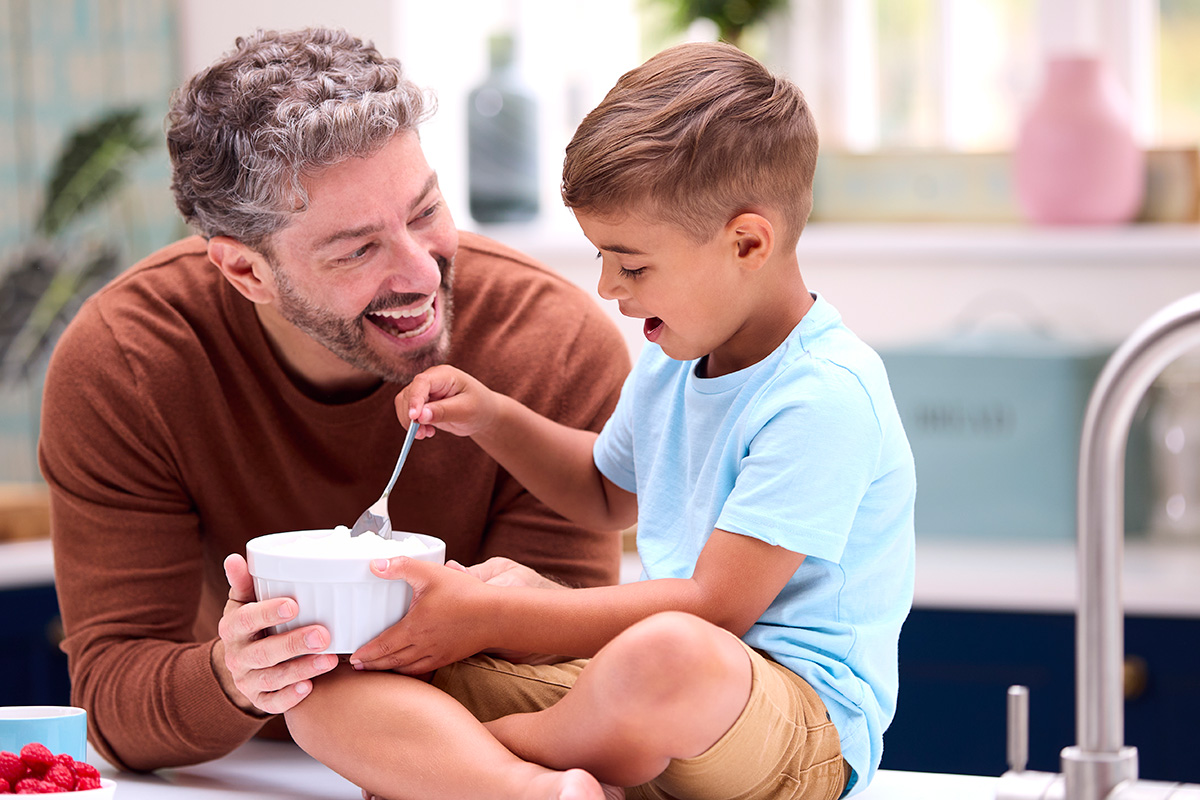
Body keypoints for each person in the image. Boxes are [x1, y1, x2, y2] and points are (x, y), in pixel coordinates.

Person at [288, 41, 916, 800]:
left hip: (788, 731)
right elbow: (605, 492)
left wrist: (498, 616)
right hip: (631, 716)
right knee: (330, 686)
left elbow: (716, 608)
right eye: (600, 256)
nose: (609, 287)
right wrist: (492, 418)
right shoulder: (675, 354)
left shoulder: (823, 395)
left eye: (633, 264)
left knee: (672, 652)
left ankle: (471, 772)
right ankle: (543, 790)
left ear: (748, 242)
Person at [37, 25, 631, 781]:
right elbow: (113, 700)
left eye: (424, 212)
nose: (421, 273)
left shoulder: (551, 345)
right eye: (356, 249)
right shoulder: (128, 363)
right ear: (244, 271)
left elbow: (566, 677)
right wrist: (234, 676)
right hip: (241, 774)